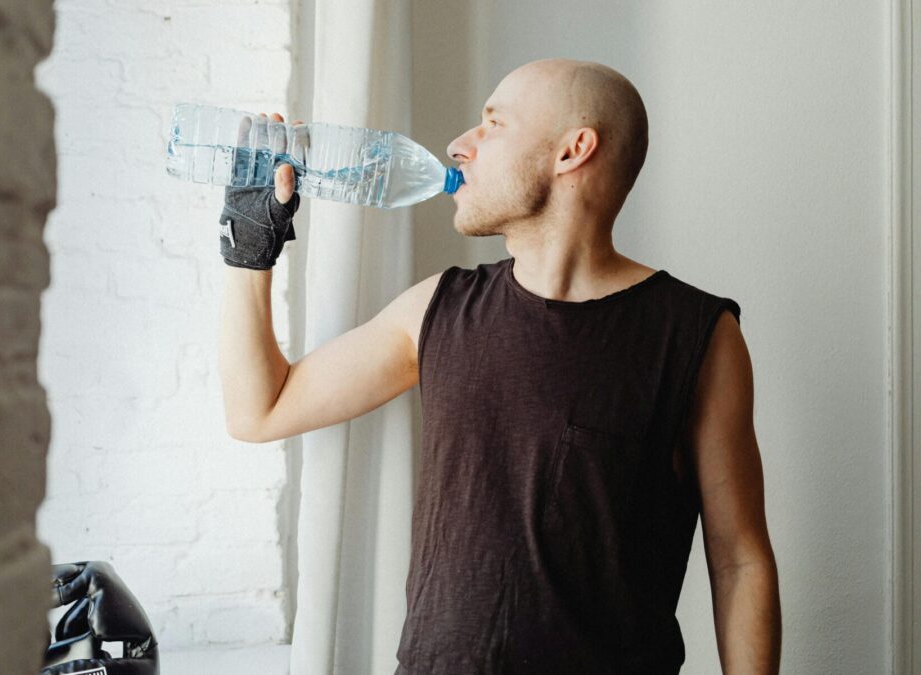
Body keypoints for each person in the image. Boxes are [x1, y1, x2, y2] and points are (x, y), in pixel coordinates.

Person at [217, 58, 781, 674]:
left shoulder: (697, 336)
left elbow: (740, 560)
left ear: (573, 151)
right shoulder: (437, 307)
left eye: (494, 123)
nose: (460, 145)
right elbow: (259, 410)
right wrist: (250, 248)